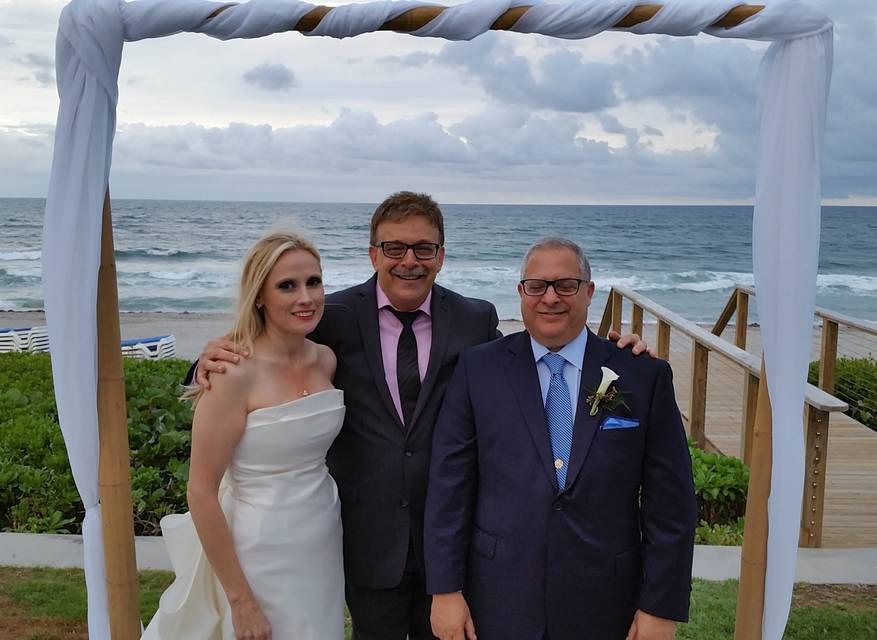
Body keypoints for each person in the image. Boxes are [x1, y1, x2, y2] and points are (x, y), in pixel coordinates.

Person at [193, 194, 651, 640]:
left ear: (441, 256)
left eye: (423, 248)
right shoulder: (331, 315)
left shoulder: (474, 319)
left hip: (451, 539)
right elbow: (266, 345)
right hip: (365, 537)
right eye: (394, 248)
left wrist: (611, 358)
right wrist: (204, 361)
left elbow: (526, 360)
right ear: (374, 255)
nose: (408, 260)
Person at [424, 237, 696, 640]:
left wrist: (660, 606)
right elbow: (450, 486)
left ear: (589, 291)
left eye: (565, 285)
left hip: (606, 600)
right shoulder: (478, 369)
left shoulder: (642, 375)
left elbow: (670, 504)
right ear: (521, 293)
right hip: (498, 597)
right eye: (537, 286)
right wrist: (445, 590)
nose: (550, 298)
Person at [144, 231, 345, 640]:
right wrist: (241, 601)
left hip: (322, 535)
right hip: (258, 548)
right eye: (286, 286)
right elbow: (200, 491)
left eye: (314, 282)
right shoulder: (232, 372)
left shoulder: (325, 360)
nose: (305, 297)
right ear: (259, 295)